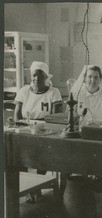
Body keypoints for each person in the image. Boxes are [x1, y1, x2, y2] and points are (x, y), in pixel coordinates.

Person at [14, 61, 63, 203]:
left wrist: (41, 126)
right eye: (34, 75)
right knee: (18, 154)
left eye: (40, 76)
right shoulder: (24, 91)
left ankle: (36, 187)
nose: (36, 79)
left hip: (46, 131)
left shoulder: (54, 92)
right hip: (25, 129)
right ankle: (27, 188)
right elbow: (17, 116)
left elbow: (55, 120)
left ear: (46, 77)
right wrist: (24, 125)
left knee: (42, 155)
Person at [70, 65, 102, 193]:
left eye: (96, 77)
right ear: (84, 78)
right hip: (82, 135)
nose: (92, 80)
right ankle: (83, 182)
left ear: (100, 79)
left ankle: (100, 180)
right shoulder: (78, 94)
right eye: (89, 77)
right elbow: (73, 118)